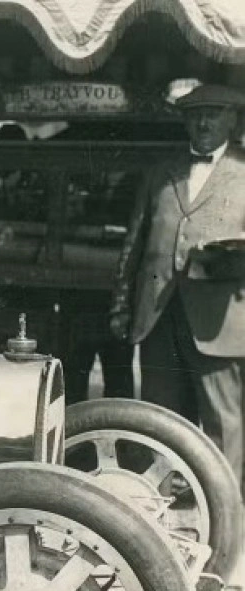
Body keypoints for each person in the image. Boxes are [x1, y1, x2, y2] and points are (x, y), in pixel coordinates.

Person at [110, 83, 245, 485]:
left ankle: (224, 507)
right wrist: (121, 303)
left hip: (219, 318)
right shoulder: (162, 171)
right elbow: (135, 243)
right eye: (195, 115)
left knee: (222, 418)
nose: (203, 123)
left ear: (232, 120)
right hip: (159, 313)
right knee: (161, 416)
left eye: (213, 114)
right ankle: (163, 500)